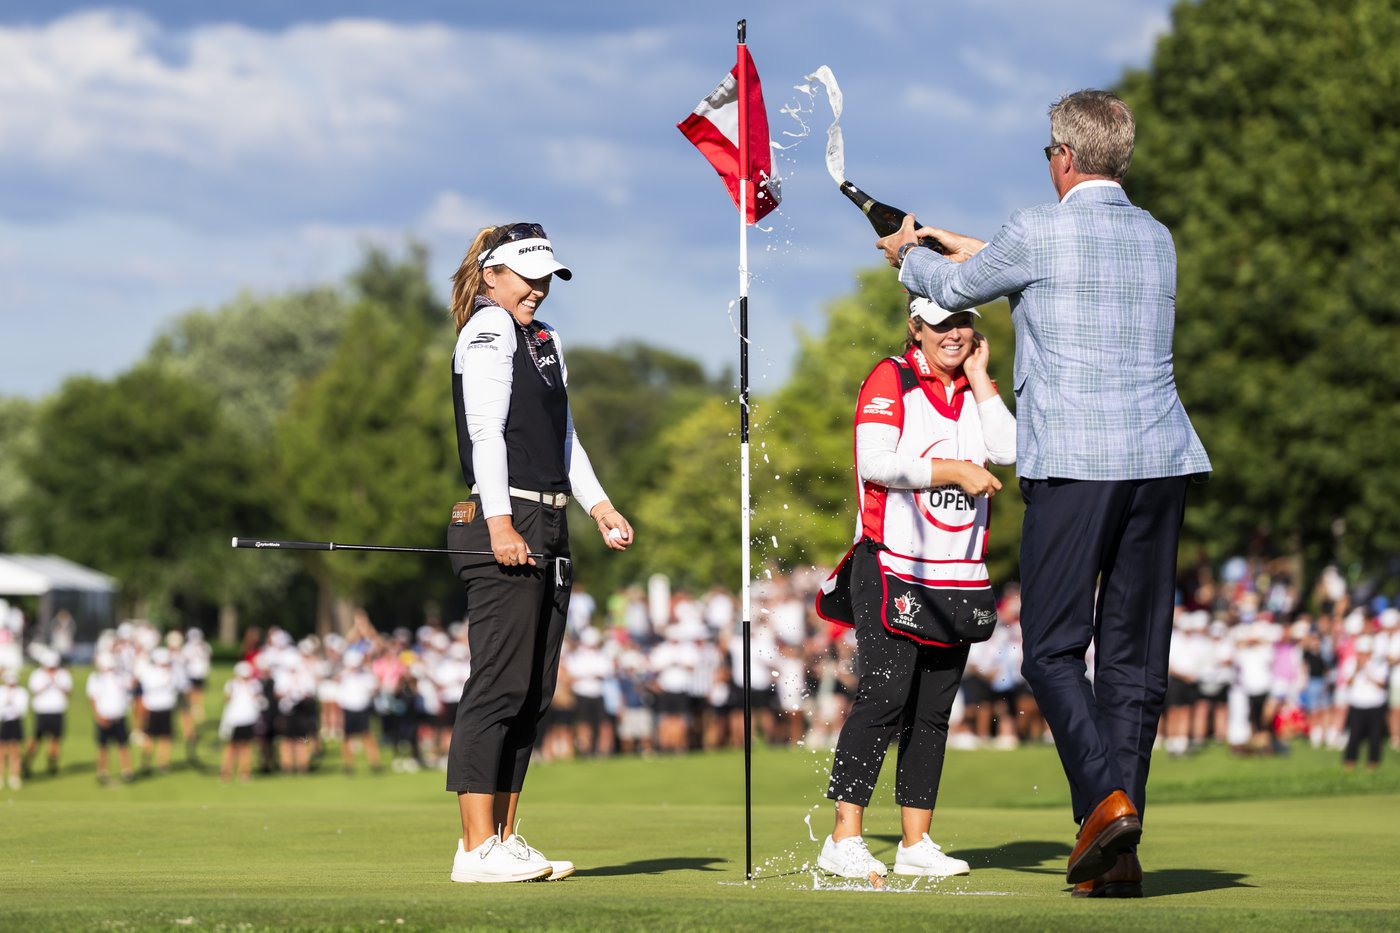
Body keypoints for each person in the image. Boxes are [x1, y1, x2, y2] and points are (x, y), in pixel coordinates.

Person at [880, 89, 1211, 897]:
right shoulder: (1155, 237)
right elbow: (1063, 270)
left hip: (1078, 461)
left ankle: (1103, 801)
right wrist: (976, 246)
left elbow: (954, 290)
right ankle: (1117, 846)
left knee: (1053, 648)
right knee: (1133, 659)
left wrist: (908, 251)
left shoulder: (1038, 230)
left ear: (1062, 156)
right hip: (1162, 458)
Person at [444, 221, 633, 883]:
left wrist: (599, 504)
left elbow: (564, 438)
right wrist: (500, 522)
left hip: (548, 522)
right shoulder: (488, 329)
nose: (539, 287)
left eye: (546, 275)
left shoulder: (545, 339)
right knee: (497, 684)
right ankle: (474, 848)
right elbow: (485, 434)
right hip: (507, 515)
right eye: (527, 275)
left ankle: (503, 834)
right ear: (492, 275)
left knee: (532, 693)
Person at [815, 295, 1015, 882]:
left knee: (932, 713)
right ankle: (844, 836)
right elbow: (875, 462)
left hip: (957, 573)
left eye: (964, 323)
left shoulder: (976, 388)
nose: (954, 333)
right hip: (890, 563)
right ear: (916, 326)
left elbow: (1009, 451)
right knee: (883, 697)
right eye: (942, 323)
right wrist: (952, 470)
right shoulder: (891, 376)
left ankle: (915, 841)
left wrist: (981, 377)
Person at [87, 652, 134, 784]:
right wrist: (98, 716)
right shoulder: (96, 678)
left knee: (123, 745)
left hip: (119, 716)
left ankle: (127, 771)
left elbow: (130, 689)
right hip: (104, 717)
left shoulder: (121, 677)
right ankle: (102, 772)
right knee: (103, 746)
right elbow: (92, 699)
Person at [24, 647, 71, 778]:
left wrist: (56, 683)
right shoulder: (37, 675)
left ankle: (52, 764)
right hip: (42, 711)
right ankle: (26, 762)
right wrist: (46, 684)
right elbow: (34, 692)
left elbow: (67, 691)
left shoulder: (63, 674)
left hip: (57, 710)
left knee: (55, 739)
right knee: (36, 739)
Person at [1, 667, 28, 790]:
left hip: (16, 722)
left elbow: (22, 710)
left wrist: (11, 704)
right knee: (2, 751)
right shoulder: (1, 691)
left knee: (15, 750)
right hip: (3, 722)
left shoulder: (21, 692)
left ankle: (14, 776)